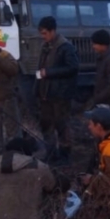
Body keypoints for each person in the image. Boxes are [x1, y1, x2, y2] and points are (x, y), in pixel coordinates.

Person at [35, 16, 79, 161]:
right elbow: (40, 68)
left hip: (60, 94)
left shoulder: (65, 47)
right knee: (46, 124)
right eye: (41, 33)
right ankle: (51, 153)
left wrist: (49, 72)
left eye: (45, 33)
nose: (43, 36)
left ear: (53, 31)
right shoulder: (45, 47)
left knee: (62, 125)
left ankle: (65, 154)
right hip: (46, 94)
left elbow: (72, 68)